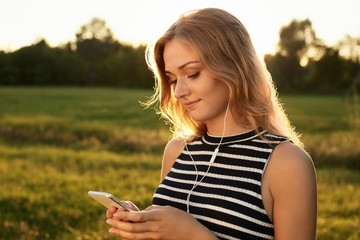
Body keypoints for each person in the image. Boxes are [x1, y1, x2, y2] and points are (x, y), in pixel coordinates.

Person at [105, 8, 317, 240]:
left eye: (193, 73)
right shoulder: (177, 151)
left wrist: (190, 233)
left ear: (236, 67)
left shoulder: (287, 164)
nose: (179, 92)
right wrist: (145, 225)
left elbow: (185, 231)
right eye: (172, 80)